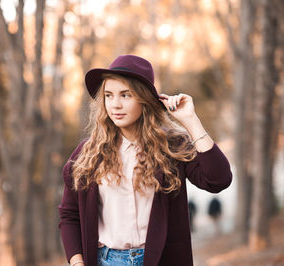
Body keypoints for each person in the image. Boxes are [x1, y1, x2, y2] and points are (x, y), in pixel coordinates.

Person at [58, 55, 232, 266]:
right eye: (109, 95)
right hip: (105, 261)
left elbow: (218, 179)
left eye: (125, 95)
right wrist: (77, 262)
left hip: (159, 260)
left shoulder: (172, 146)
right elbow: (69, 214)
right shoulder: (88, 153)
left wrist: (191, 120)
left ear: (145, 98)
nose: (116, 104)